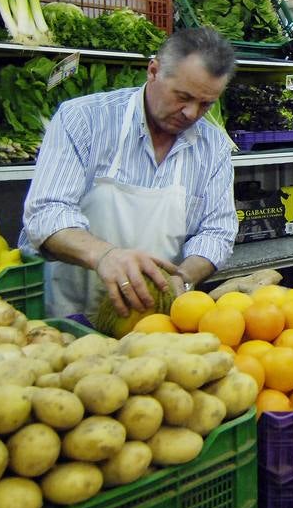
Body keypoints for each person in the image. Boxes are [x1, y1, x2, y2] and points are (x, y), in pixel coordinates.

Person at [21, 27, 239, 318]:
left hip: (152, 320)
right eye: (183, 96)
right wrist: (105, 256)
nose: (191, 113)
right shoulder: (84, 120)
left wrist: (182, 278)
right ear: (153, 71)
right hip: (67, 315)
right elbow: (46, 212)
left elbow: (217, 231)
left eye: (206, 104)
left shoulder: (212, 146)